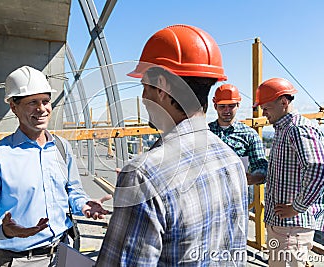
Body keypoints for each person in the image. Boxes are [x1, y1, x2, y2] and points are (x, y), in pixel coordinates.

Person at [96, 24, 248, 266]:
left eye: (145, 87)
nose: (144, 98)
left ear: (162, 86)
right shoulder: (230, 158)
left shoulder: (143, 175)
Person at [0, 65, 110, 267]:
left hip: (64, 252)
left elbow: (72, 190)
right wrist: (3, 230)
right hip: (21, 260)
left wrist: (83, 204)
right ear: (14, 107)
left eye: (45, 101)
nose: (42, 109)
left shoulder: (61, 147)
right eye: (32, 102)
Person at [251, 77, 324, 267]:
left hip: (291, 229)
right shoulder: (284, 129)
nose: (264, 113)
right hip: (283, 229)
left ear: (284, 102)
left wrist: (297, 207)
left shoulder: (297, 129)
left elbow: (320, 169)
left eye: (266, 107)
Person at [209, 84, 268, 193]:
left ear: (238, 105)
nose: (227, 110)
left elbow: (262, 167)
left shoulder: (249, 134)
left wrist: (253, 177)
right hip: (211, 194)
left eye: (231, 106)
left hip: (238, 195)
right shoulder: (205, 132)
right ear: (215, 106)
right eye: (222, 106)